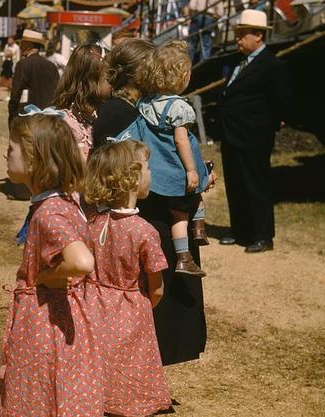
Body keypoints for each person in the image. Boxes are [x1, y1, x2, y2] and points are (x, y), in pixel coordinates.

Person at [95, 39, 210, 366]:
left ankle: (169, 349)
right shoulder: (123, 113)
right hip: (152, 214)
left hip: (164, 206)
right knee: (158, 291)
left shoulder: (144, 108)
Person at [0, 112, 103, 417]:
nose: (6, 154)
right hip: (67, 317)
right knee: (64, 389)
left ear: (33, 161)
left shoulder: (49, 213)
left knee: (38, 393)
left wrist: (46, 276)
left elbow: (82, 261)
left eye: (12, 148)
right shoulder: (64, 202)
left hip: (45, 323)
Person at [85, 140, 172, 417]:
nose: (151, 172)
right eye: (147, 167)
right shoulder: (144, 231)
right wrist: (142, 307)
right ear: (133, 178)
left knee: (99, 363)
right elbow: (157, 288)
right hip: (131, 309)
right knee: (131, 366)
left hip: (92, 306)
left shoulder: (91, 222)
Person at [124, 40, 210, 277]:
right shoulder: (179, 107)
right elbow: (181, 141)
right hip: (177, 167)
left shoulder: (145, 103)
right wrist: (191, 169)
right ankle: (188, 248)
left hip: (158, 169)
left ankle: (189, 245)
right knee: (187, 204)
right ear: (182, 77)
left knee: (176, 212)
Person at [218, 9, 291, 253]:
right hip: (231, 134)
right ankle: (240, 230)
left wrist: (267, 126)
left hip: (254, 136)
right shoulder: (238, 63)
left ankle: (263, 235)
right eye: (237, 34)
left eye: (243, 34)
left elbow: (280, 101)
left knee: (256, 185)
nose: (238, 39)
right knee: (236, 184)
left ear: (258, 35)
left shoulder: (271, 65)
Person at [93, 38, 156, 148]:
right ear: (139, 74)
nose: (161, 75)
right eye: (156, 69)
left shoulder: (131, 107)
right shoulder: (118, 113)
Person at [53, 44, 112, 160]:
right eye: (109, 76)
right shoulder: (66, 124)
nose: (114, 82)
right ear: (92, 79)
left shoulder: (99, 114)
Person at [8, 29, 59, 123]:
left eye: (22, 43)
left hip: (28, 118)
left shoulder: (23, 64)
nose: (20, 46)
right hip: (48, 118)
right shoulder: (51, 66)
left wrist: (12, 115)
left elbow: (15, 94)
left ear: (28, 45)